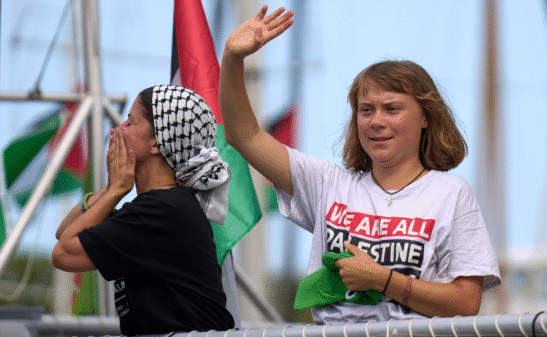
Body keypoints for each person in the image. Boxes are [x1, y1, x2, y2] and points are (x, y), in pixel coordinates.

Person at [219, 5, 501, 323]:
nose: (376, 122)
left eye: (392, 109)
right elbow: (244, 136)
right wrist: (232, 58)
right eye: (366, 110)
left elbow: (466, 302)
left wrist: (382, 280)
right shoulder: (328, 184)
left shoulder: (451, 193)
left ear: (425, 117)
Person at [52, 85, 235, 335]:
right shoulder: (158, 211)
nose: (118, 130)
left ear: (156, 143)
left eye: (130, 122)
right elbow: (63, 234)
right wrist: (108, 191)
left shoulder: (162, 211)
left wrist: (117, 190)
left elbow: (63, 253)